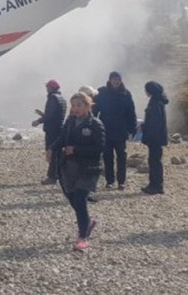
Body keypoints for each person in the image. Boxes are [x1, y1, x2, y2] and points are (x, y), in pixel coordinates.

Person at [49, 92, 105, 252]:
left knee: (80, 199)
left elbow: (99, 148)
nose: (75, 108)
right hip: (68, 168)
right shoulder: (70, 122)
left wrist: (75, 149)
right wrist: (52, 148)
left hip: (88, 168)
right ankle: (89, 222)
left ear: (88, 106)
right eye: (73, 105)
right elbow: (62, 138)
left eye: (79, 105)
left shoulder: (96, 124)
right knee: (73, 199)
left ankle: (83, 237)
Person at [94, 71, 137, 190]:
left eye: (118, 79)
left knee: (121, 156)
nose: (116, 81)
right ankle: (110, 181)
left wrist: (132, 128)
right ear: (110, 80)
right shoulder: (102, 92)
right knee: (107, 156)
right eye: (114, 79)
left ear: (121, 80)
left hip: (120, 130)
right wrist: (92, 125)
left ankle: (121, 181)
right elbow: (94, 110)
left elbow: (131, 112)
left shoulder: (126, 93)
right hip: (105, 129)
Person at [33, 79, 67, 184]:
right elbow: (55, 115)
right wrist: (43, 115)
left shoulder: (52, 98)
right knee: (57, 152)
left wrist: (38, 121)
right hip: (59, 128)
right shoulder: (62, 98)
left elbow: (50, 116)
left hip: (52, 130)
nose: (46, 89)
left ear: (51, 88)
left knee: (51, 152)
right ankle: (59, 175)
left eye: (47, 87)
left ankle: (52, 176)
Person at [140, 81, 168, 194]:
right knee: (155, 161)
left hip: (155, 138)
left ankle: (156, 186)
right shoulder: (157, 101)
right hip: (157, 137)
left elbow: (155, 123)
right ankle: (155, 184)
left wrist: (146, 132)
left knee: (154, 161)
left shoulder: (156, 103)